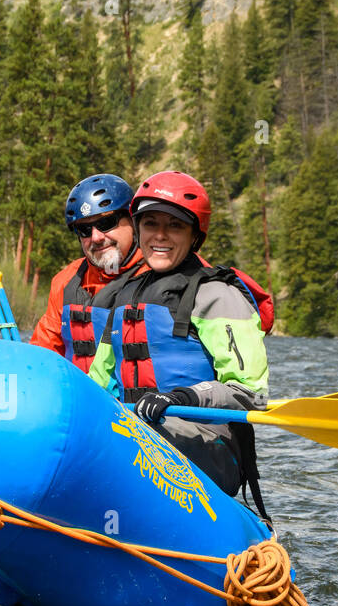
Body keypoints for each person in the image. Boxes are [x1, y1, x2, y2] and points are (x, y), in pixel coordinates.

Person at [88, 171, 271, 513]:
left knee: (135, 440)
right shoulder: (123, 298)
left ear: (194, 235)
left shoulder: (218, 295)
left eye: (174, 226)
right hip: (139, 434)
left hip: (209, 447)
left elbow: (251, 393)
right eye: (150, 223)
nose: (160, 235)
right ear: (138, 228)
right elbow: (98, 386)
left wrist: (182, 397)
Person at [30, 174, 146, 372]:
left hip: (143, 402)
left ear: (133, 223)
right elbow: (42, 353)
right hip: (83, 399)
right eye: (84, 229)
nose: (96, 237)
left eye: (107, 223)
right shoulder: (66, 281)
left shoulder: (163, 273)